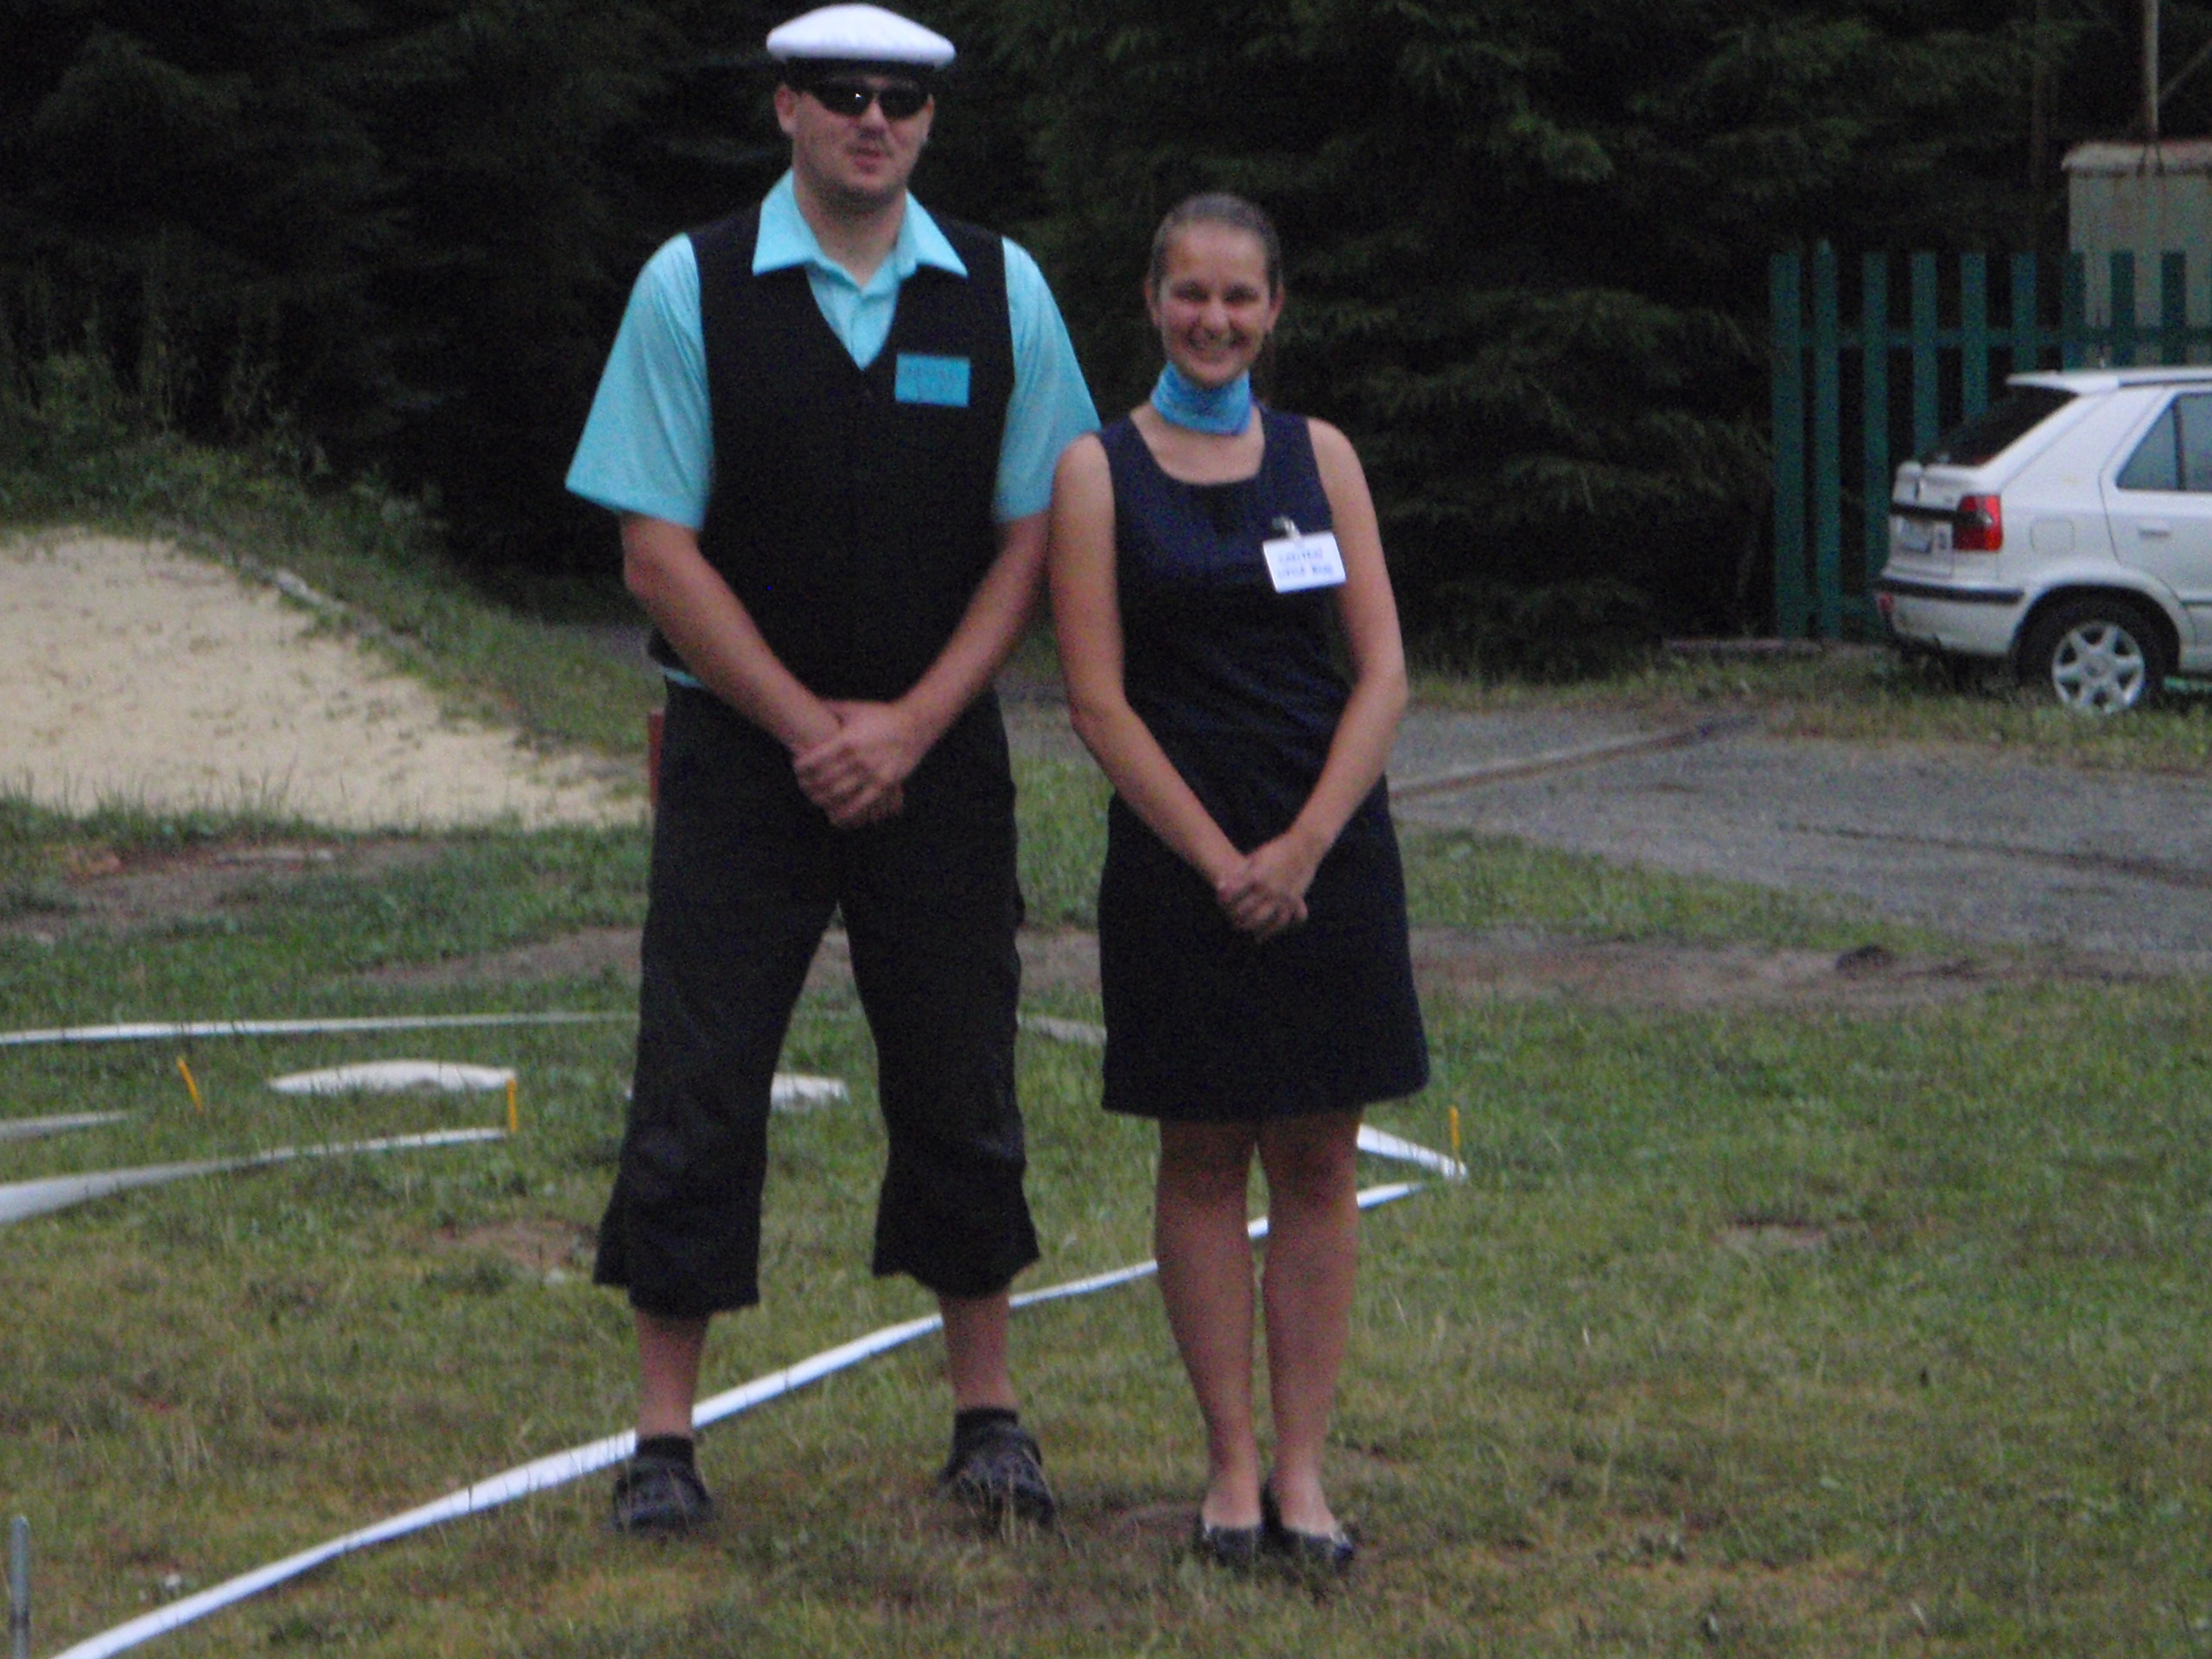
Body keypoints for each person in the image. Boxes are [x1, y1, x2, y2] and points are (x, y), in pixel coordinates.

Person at [566, 3, 1097, 1537]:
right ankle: (664, 1442)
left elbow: (1035, 538)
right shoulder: (691, 284)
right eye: (845, 94)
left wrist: (912, 725)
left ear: (930, 120)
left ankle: (988, 1420)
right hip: (745, 763)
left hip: (938, 761)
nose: (876, 121)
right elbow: (655, 552)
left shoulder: (1002, 289)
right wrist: (810, 727)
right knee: (699, 1078)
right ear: (786, 106)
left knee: (961, 1072)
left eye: (903, 100)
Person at [1046, 194, 1427, 1573]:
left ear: (1276, 310)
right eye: (1191, 293)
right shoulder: (1094, 472)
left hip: (1328, 857)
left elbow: (1382, 673)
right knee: (1203, 1153)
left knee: (1320, 1156)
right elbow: (1095, 701)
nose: (1214, 320)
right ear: (1152, 301)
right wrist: (1220, 862)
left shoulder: (1323, 457)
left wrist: (1306, 845)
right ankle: (1227, 1466)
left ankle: (1304, 1474)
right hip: (1178, 865)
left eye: (1240, 297)